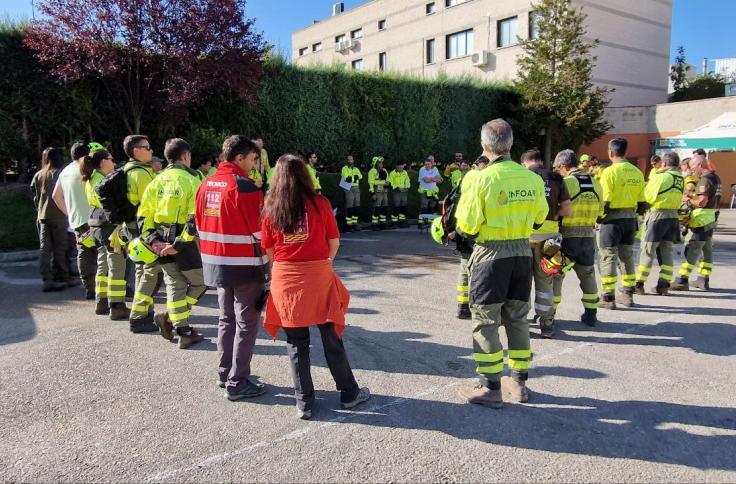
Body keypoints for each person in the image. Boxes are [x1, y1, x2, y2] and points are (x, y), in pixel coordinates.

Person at [261, 154, 370, 420]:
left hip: (286, 279)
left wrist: (286, 268)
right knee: (331, 335)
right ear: (305, 175)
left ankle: (304, 402)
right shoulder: (320, 203)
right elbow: (334, 241)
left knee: (296, 343)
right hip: (318, 276)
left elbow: (270, 250)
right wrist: (325, 264)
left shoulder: (271, 207)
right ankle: (348, 393)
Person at [454, 119, 548, 408]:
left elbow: (467, 226)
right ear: (510, 144)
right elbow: (539, 218)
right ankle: (518, 384)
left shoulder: (481, 179)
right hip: (522, 254)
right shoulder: (532, 178)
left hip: (489, 257)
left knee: (485, 322)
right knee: (518, 318)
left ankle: (490, 387)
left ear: (485, 146)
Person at [195, 135, 269, 400]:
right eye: (252, 159)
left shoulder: (206, 184)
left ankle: (224, 372)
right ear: (239, 157)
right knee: (247, 322)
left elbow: (199, 224)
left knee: (225, 318)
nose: (254, 164)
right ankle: (238, 382)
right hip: (245, 265)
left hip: (216, 264)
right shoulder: (245, 187)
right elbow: (261, 231)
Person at [138, 138, 206, 349]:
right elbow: (194, 220)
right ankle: (173, 322)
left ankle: (180, 328)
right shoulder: (192, 181)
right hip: (182, 243)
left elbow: (143, 216)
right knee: (201, 282)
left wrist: (153, 241)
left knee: (175, 284)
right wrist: (179, 244)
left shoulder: (155, 181)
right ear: (185, 156)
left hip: (159, 242)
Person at [520, 149, 571, 339]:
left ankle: (520, 323)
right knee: (545, 283)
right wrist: (552, 214)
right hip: (549, 241)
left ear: (524, 163)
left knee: (521, 283)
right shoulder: (556, 178)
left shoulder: (522, 177)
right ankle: (547, 325)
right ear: (541, 162)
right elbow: (567, 210)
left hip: (524, 238)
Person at [552, 150, 604, 327]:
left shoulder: (566, 183)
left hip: (567, 236)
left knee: (556, 275)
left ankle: (549, 315)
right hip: (588, 236)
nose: (558, 172)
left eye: (558, 168)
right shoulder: (596, 184)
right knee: (588, 275)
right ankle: (591, 314)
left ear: (564, 166)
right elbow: (601, 212)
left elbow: (557, 209)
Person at [597, 138, 647, 309]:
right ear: (626, 152)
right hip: (630, 219)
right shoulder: (637, 172)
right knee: (627, 257)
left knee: (608, 256)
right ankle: (627, 294)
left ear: (610, 152)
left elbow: (606, 201)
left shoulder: (609, 172)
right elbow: (642, 203)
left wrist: (598, 218)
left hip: (612, 220)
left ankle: (608, 297)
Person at [82, 148, 131, 320]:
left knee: (102, 264)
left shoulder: (90, 178)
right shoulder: (102, 179)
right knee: (117, 266)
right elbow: (110, 203)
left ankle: (101, 301)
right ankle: (117, 307)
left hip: (95, 223)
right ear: (103, 162)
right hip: (108, 226)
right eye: (111, 159)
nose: (114, 163)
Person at [123, 135, 161, 334]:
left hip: (132, 227)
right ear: (136, 151)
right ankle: (138, 317)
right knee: (151, 273)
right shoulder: (141, 174)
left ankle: (145, 311)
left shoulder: (129, 171)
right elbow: (151, 205)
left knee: (142, 271)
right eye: (147, 147)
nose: (151, 150)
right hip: (144, 228)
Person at [634, 151, 684, 296]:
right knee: (666, 250)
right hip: (673, 217)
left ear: (664, 163)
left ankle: (639, 284)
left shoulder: (661, 177)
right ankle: (663, 285)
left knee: (648, 250)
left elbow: (647, 196)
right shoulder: (680, 178)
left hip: (658, 215)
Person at [53, 143, 98, 299]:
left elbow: (56, 196)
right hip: (96, 218)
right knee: (105, 255)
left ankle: (90, 288)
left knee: (84, 254)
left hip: (77, 221)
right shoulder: (89, 169)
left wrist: (68, 212)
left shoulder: (64, 172)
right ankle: (112, 288)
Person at [671, 155, 722, 291]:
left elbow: (701, 201)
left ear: (700, 165)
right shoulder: (715, 177)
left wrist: (688, 200)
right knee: (707, 250)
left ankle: (682, 280)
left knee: (692, 248)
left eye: (693, 168)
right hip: (711, 217)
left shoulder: (704, 180)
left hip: (700, 219)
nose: (693, 171)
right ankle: (703, 279)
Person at [453, 155, 489, 320]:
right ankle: (477, 307)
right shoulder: (484, 177)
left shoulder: (467, 177)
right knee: (479, 270)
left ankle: (462, 306)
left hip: (463, 227)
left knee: (464, 269)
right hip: (477, 229)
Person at [31, 147, 69, 292]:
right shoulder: (59, 174)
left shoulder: (39, 174)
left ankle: (47, 279)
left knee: (44, 249)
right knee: (60, 248)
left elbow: (34, 196)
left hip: (42, 216)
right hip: (59, 215)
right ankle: (63, 276)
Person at [418, 156, 442, 230]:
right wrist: (434, 179)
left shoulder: (434, 170)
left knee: (432, 207)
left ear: (432, 163)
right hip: (424, 192)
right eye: (426, 164)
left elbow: (440, 180)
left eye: (430, 163)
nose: (428, 165)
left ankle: (430, 223)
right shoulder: (422, 170)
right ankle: (421, 223)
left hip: (433, 192)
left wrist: (432, 179)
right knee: (424, 207)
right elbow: (426, 180)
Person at [340, 155, 363, 231]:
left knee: (357, 205)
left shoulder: (356, 169)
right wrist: (355, 177)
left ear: (353, 160)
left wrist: (354, 177)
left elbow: (361, 177)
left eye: (351, 159)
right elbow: (347, 178)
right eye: (349, 159)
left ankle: (355, 223)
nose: (350, 161)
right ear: (347, 161)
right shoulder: (344, 168)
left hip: (356, 187)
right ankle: (349, 225)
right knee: (350, 205)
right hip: (348, 187)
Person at [368, 156, 389, 230]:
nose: (381, 164)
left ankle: (382, 223)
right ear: (375, 163)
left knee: (385, 206)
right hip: (377, 191)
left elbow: (388, 180)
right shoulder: (372, 171)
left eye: (382, 163)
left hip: (384, 191)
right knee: (377, 207)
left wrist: (387, 183)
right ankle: (374, 224)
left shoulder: (385, 170)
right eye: (379, 163)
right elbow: (370, 183)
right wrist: (372, 193)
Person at [388, 160, 410, 227]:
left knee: (404, 205)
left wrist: (406, 187)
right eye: (400, 167)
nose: (401, 168)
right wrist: (398, 188)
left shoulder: (405, 172)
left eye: (402, 167)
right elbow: (390, 183)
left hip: (404, 191)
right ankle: (394, 222)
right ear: (397, 166)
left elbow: (407, 181)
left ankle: (402, 221)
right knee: (396, 205)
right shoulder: (392, 173)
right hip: (396, 191)